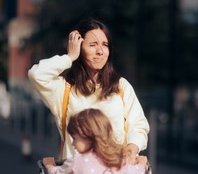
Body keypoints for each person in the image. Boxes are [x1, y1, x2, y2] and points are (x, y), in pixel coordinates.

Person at [28, 18, 149, 163]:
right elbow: (36, 75)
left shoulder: (121, 86)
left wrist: (131, 149)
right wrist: (69, 57)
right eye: (93, 45)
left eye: (105, 45)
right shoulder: (64, 90)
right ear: (79, 47)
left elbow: (138, 125)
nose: (100, 51)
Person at [42, 108, 148, 174]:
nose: (73, 143)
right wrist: (141, 164)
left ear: (88, 136)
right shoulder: (118, 160)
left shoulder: (77, 162)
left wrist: (49, 165)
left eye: (75, 138)